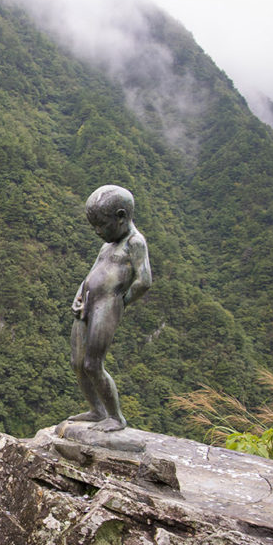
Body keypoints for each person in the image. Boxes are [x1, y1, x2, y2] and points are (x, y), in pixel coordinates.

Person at [68, 184, 151, 431]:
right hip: (88, 302)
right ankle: (96, 410)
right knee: (77, 361)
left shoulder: (135, 243)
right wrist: (79, 295)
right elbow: (91, 273)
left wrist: (119, 302)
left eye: (101, 225)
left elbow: (144, 280)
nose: (97, 231)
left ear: (121, 217)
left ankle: (115, 417)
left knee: (93, 363)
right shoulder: (107, 245)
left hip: (107, 304)